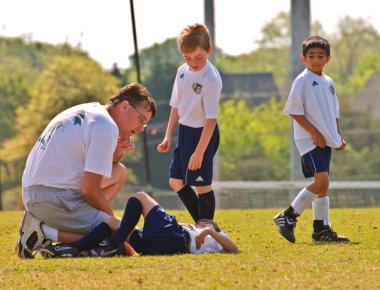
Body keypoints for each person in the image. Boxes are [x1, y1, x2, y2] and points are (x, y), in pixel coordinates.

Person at [16, 83, 157, 259]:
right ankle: (42, 232)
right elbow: (90, 189)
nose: (141, 129)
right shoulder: (106, 127)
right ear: (125, 106)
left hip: (38, 193)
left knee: (119, 172)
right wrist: (111, 223)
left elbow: (101, 170)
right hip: (51, 199)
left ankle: (48, 229)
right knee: (118, 246)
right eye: (141, 119)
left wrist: (118, 150)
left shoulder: (92, 112)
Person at [273, 36, 350, 243]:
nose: (316, 60)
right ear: (303, 58)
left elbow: (334, 112)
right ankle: (287, 216)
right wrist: (315, 133)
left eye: (320, 56)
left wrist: (338, 136)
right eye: (312, 56)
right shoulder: (302, 80)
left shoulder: (329, 82)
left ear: (328, 58)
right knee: (322, 181)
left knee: (323, 185)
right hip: (309, 139)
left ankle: (321, 229)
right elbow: (294, 111)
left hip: (325, 139)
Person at [38, 191, 238, 258]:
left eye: (204, 221)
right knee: (113, 222)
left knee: (140, 197)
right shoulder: (192, 228)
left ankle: (113, 245)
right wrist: (196, 228)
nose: (200, 222)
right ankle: (70, 248)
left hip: (177, 241)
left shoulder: (213, 233)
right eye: (200, 222)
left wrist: (208, 232)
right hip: (156, 247)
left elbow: (234, 249)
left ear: (213, 225)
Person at [157, 23, 222, 223]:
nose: (193, 63)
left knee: (201, 185)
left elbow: (211, 119)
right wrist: (168, 135)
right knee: (176, 181)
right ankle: (205, 226)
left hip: (204, 134)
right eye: (187, 58)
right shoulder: (182, 72)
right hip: (185, 132)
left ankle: (207, 231)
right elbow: (176, 105)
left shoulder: (211, 79)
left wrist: (199, 151)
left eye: (198, 58)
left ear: (208, 50)